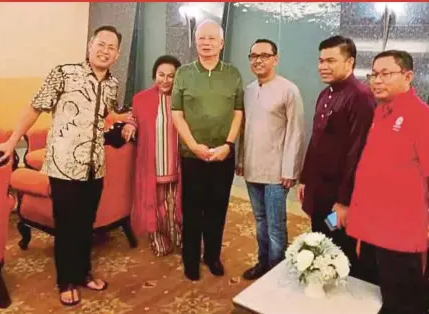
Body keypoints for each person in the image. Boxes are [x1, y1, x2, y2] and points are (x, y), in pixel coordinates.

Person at [0, 26, 134, 306]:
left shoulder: (113, 84)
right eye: (100, 44)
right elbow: (35, 107)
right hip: (64, 166)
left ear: (117, 54)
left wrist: (125, 121)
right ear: (90, 45)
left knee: (86, 225)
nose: (105, 50)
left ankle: (82, 274)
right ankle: (65, 280)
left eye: (111, 47)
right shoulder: (64, 73)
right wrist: (11, 142)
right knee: (68, 225)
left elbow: (104, 117)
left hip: (95, 167)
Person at [347, 50, 429, 314]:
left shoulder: (427, 120)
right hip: (370, 225)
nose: (377, 81)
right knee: (369, 292)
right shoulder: (379, 114)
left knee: (400, 301)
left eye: (386, 74)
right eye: (373, 74)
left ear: (408, 76)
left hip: (400, 233)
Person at [297, 35, 376, 280]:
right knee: (320, 237)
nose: (323, 66)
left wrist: (344, 202)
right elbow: (316, 141)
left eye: (331, 60)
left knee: (339, 244)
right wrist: (304, 179)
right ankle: (322, 285)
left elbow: (357, 152)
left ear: (350, 62)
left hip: (338, 197)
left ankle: (342, 294)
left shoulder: (360, 97)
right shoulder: (325, 94)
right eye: (321, 60)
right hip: (319, 189)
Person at [171, 20, 244, 281]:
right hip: (193, 155)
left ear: (221, 43)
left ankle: (212, 256)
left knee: (217, 208)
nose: (207, 43)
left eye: (212, 38)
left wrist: (228, 145)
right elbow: (177, 114)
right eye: (202, 38)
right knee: (192, 209)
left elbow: (238, 113)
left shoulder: (233, 74)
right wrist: (193, 146)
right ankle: (190, 259)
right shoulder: (184, 73)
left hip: (223, 155)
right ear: (195, 42)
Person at [237, 39, 305, 280]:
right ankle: (262, 262)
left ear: (275, 59)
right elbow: (244, 129)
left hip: (277, 172)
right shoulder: (247, 90)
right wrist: (241, 159)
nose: (258, 60)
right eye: (253, 56)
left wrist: (290, 170)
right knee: (259, 220)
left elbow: (296, 132)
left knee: (276, 226)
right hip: (252, 168)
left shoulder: (289, 90)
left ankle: (277, 274)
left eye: (264, 55)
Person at [122, 55, 183, 257]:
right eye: (161, 75)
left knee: (175, 206)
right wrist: (130, 125)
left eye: (171, 76)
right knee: (154, 206)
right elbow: (134, 117)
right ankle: (159, 241)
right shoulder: (142, 98)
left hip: (177, 163)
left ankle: (181, 240)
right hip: (152, 163)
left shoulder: (184, 98)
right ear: (154, 75)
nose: (165, 80)